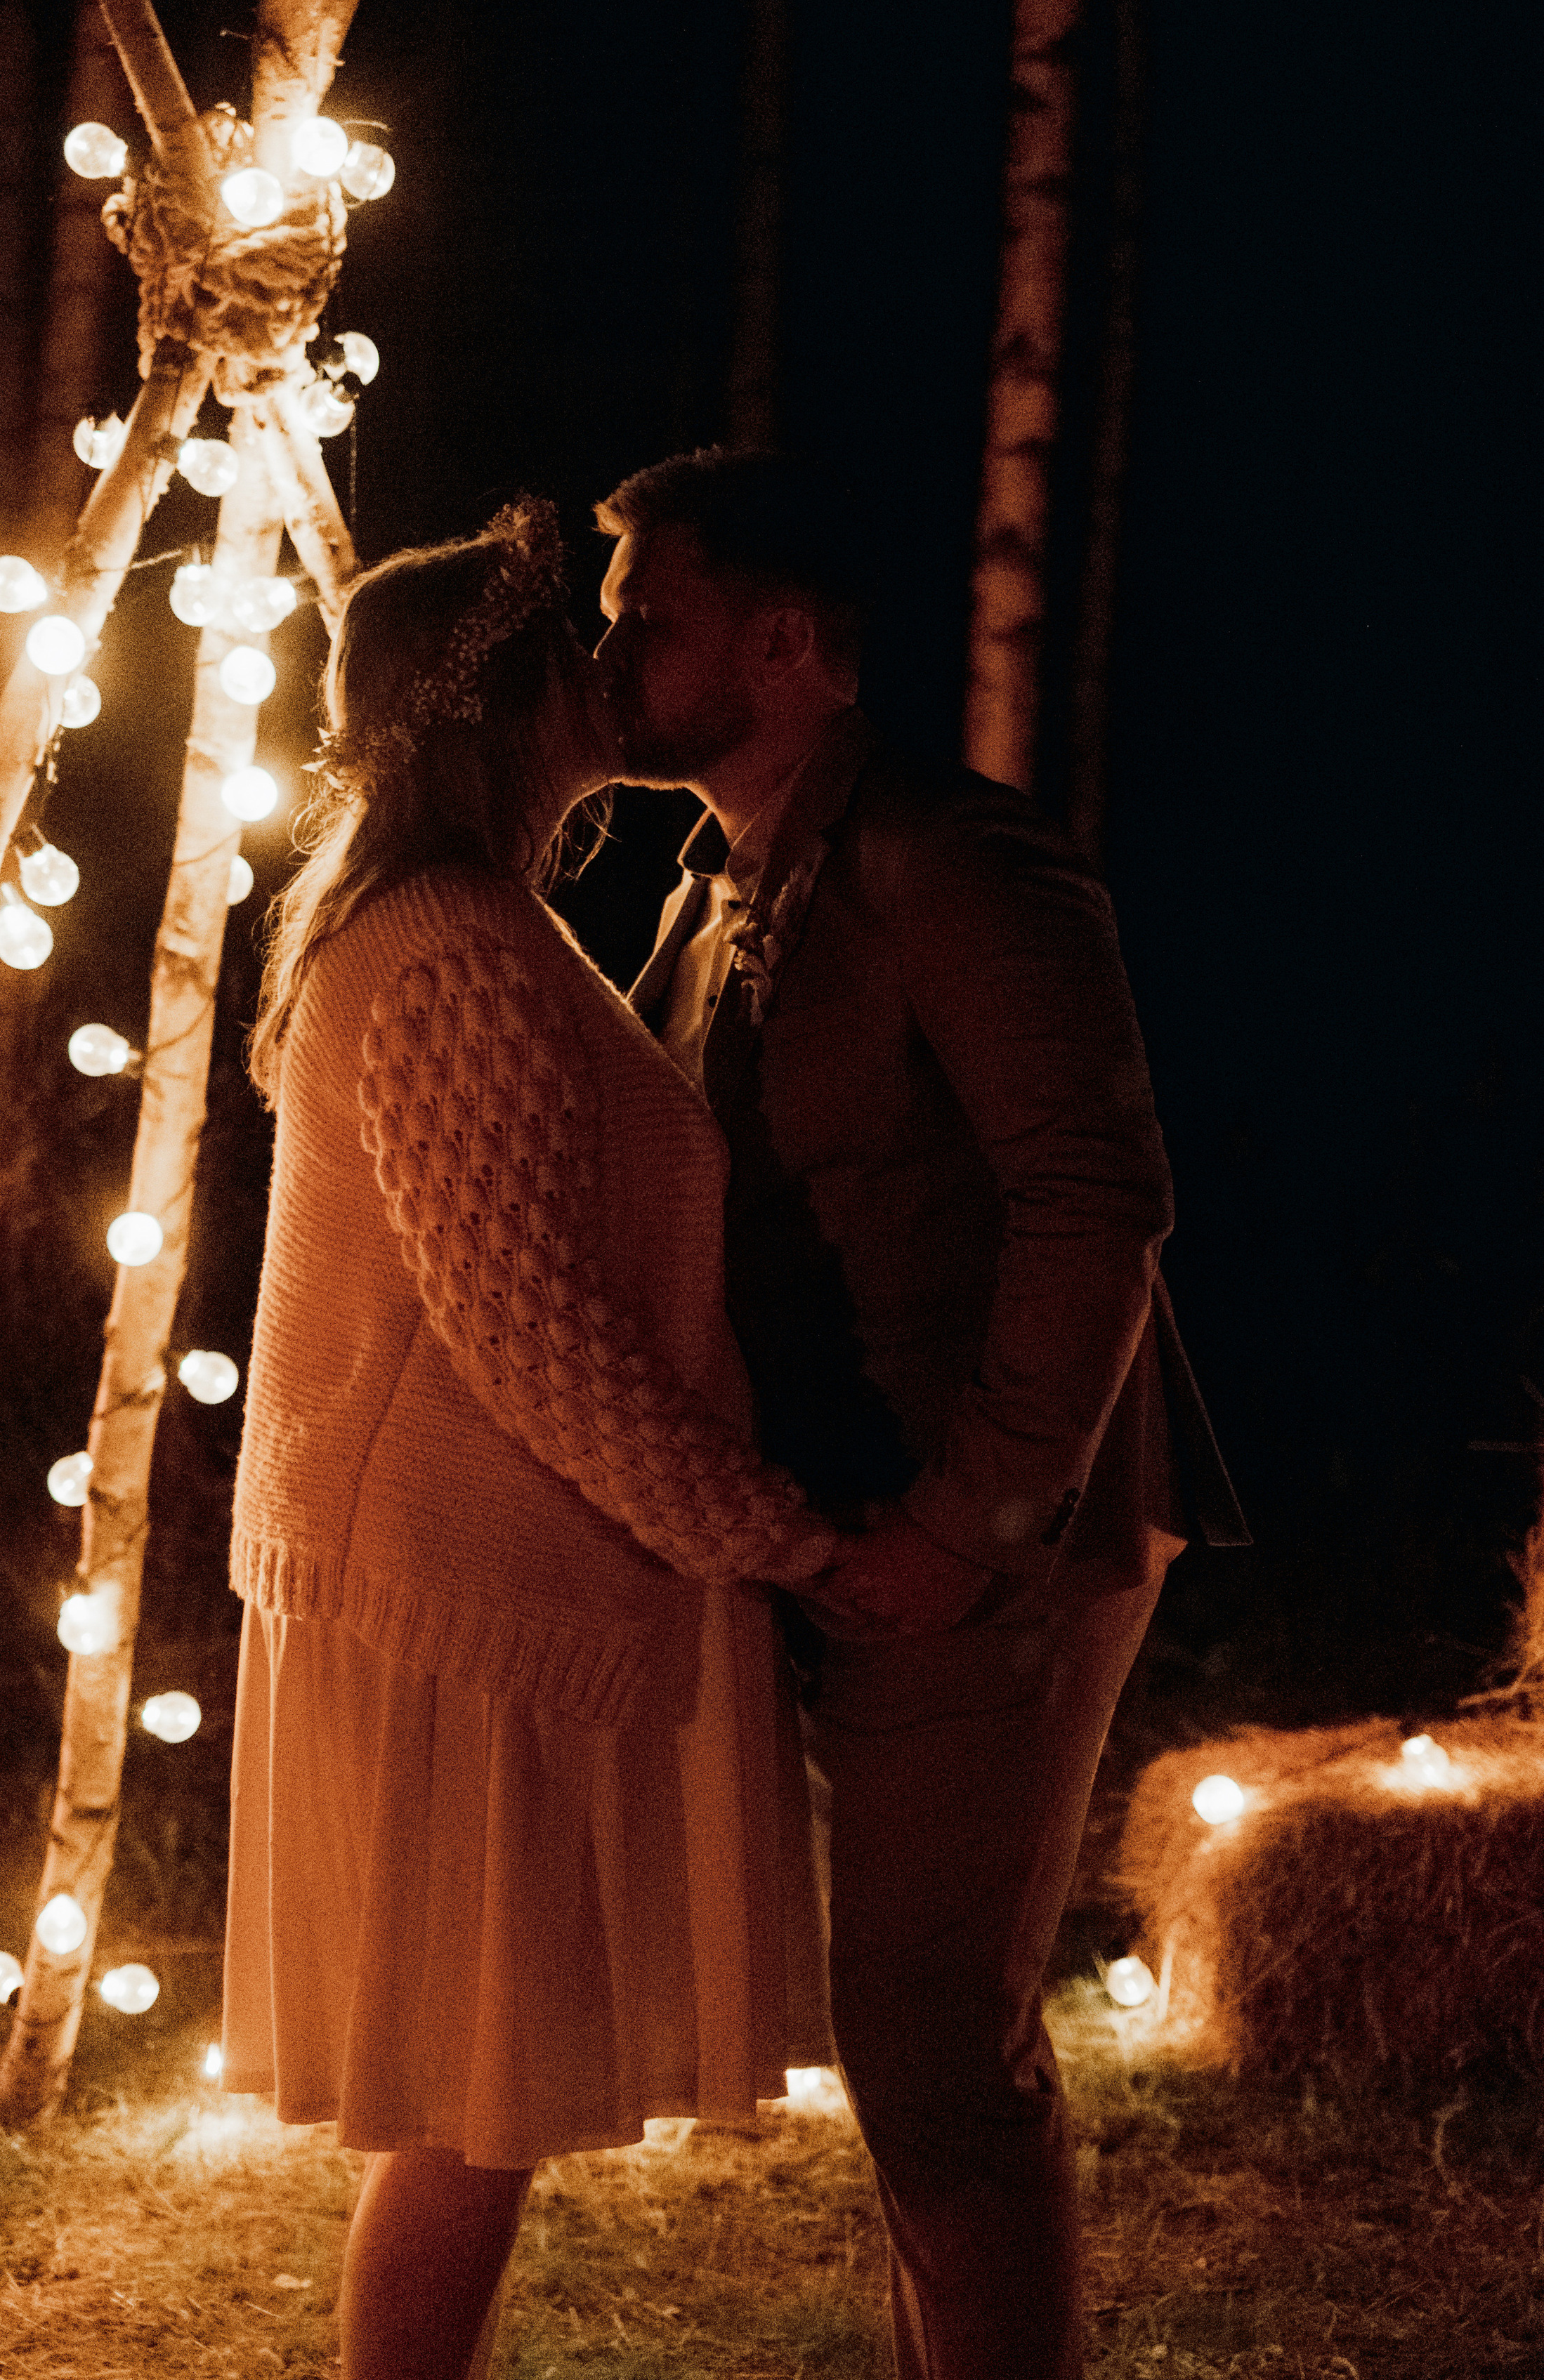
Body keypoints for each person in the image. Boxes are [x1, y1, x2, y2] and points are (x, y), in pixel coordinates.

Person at [593, 449, 1249, 2380]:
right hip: (854, 1519)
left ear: (790, 646)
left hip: (995, 1541)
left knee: (936, 2049)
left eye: (659, 618)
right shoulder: (712, 893)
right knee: (907, 2043)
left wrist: (973, 1519)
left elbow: (1095, 1193)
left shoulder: (956, 860)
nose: (621, 656)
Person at [221, 497, 840, 2380]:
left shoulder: (467, 929)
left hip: (445, 1582)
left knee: (472, 2112)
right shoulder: (453, 961)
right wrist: (778, 1534)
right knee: (469, 2112)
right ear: (498, 716)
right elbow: (535, 1343)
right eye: (575, 652)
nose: (610, 672)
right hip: (450, 1602)